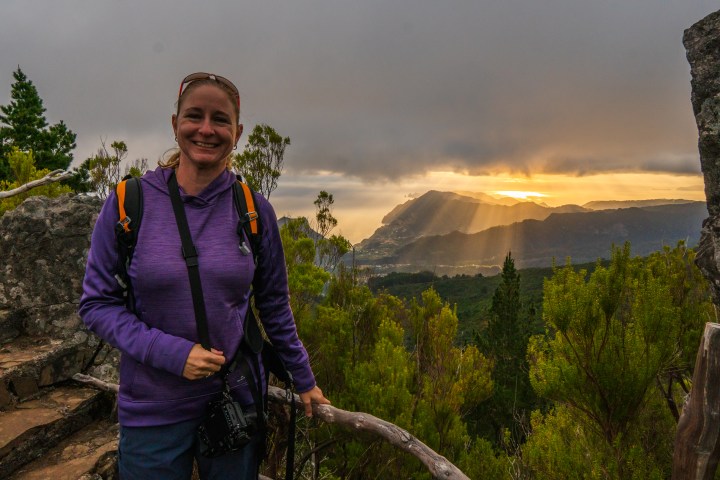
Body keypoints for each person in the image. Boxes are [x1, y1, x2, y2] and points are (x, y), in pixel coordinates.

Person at [79, 72, 330, 480]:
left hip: (235, 399)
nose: (206, 129)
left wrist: (304, 379)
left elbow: (273, 305)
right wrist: (174, 355)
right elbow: (96, 305)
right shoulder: (129, 203)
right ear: (175, 123)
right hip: (152, 410)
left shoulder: (252, 210)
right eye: (194, 116)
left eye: (221, 120)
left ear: (238, 131)